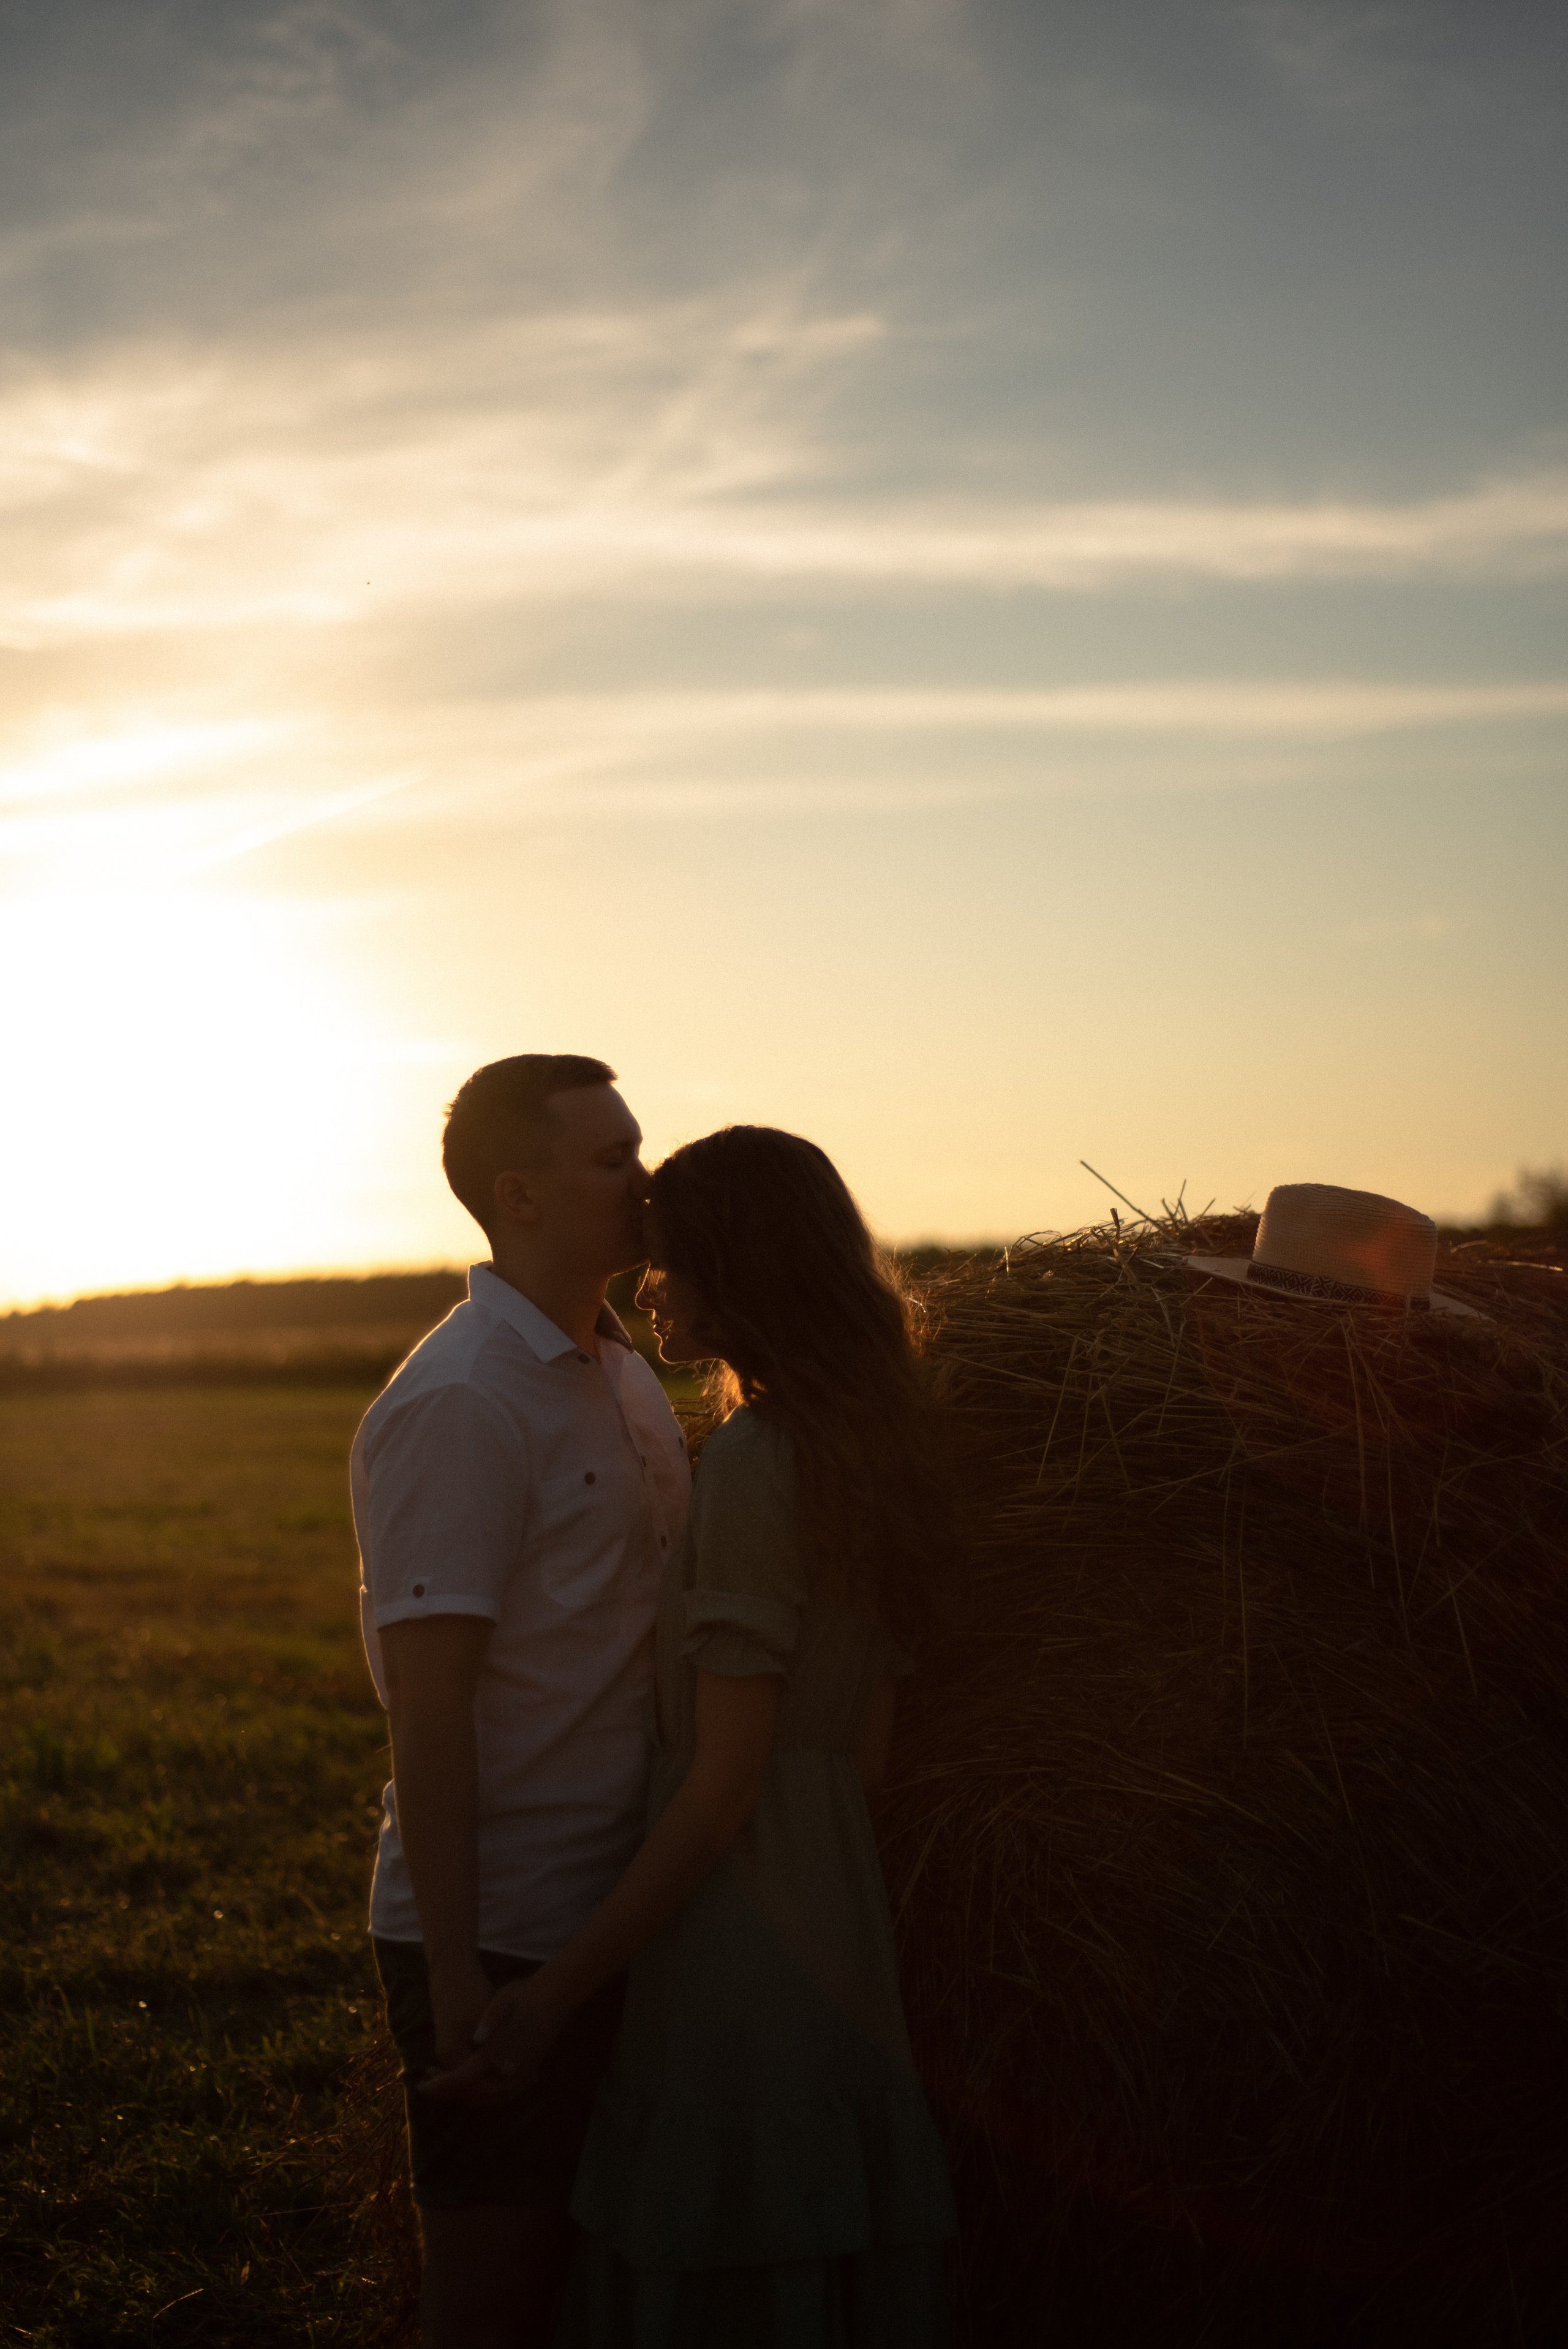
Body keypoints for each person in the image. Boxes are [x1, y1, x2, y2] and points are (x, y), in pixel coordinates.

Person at [427, 1125, 959, 2346]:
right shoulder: (866, 1442)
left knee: (721, 2264)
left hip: (735, 1938)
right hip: (839, 1922)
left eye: (671, 1261)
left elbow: (723, 1789)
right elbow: (865, 1753)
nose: (648, 1286)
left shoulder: (756, 1464)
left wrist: (559, 1991)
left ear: (741, 1265)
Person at [351, 1055, 691, 2349]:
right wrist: (451, 1976)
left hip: (623, 1913)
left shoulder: (625, 1374)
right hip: (503, 1935)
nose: (642, 1180)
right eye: (611, 1159)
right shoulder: (460, 1400)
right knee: (492, 2303)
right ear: (518, 1193)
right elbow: (425, 1712)